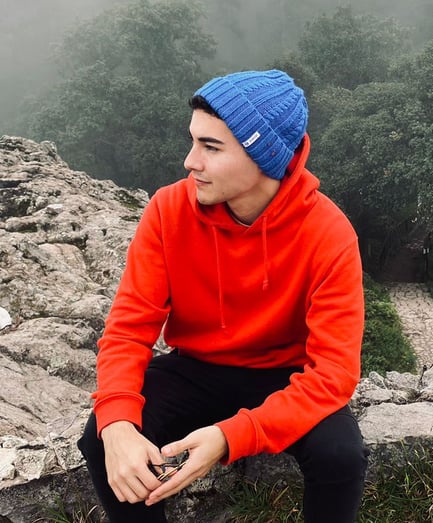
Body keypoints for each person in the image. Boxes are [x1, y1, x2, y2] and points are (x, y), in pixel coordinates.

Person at [77, 69, 368, 523]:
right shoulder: (168, 210)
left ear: (264, 155)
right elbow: (128, 329)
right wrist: (115, 424)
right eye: (193, 141)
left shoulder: (328, 233)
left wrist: (230, 437)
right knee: (100, 437)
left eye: (211, 147)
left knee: (340, 457)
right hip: (195, 368)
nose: (190, 161)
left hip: (284, 374)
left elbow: (333, 373)